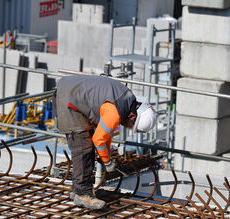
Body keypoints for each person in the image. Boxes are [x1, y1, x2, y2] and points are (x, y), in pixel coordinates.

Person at [53, 75, 157, 209]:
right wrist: (107, 161)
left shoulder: (126, 101)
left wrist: (106, 154)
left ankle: (78, 189)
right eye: (131, 125)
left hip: (72, 93)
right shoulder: (115, 112)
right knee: (83, 146)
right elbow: (99, 139)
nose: (128, 127)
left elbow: (105, 134)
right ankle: (82, 193)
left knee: (87, 143)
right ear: (132, 116)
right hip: (67, 98)